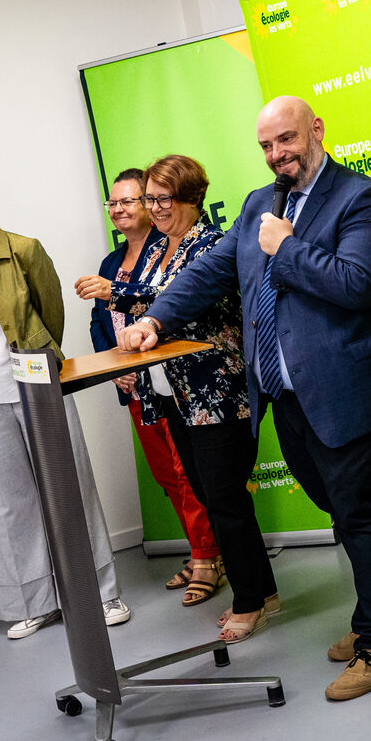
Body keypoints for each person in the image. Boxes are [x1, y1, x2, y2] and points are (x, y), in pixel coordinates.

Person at [118, 96, 371, 701]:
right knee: (338, 506)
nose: (277, 154)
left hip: (344, 388)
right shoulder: (260, 202)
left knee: (359, 508)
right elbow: (209, 272)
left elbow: (358, 284)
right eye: (266, 145)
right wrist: (154, 319)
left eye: (287, 139)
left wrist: (286, 246)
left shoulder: (362, 198)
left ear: (316, 130)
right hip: (284, 393)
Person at [0, 160, 130, 639]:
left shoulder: (25, 249)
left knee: (71, 489)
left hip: (38, 387)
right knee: (6, 505)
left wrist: (37, 366)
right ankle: (34, 602)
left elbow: (51, 315)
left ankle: (102, 593)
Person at [77, 155, 276, 640]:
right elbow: (147, 297)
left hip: (217, 394)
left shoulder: (211, 244)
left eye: (164, 198)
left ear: (191, 198)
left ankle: (249, 602)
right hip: (171, 395)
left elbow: (178, 296)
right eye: (150, 199)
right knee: (212, 497)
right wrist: (120, 297)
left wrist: (115, 291)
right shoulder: (153, 251)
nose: (156, 208)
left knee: (225, 499)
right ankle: (263, 590)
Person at [77, 168, 221, 601]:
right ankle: (200, 551)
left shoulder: (170, 249)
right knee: (167, 475)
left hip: (175, 380)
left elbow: (163, 302)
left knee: (188, 472)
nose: (119, 210)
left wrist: (115, 295)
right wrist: (114, 368)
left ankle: (208, 557)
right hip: (135, 387)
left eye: (129, 201)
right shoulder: (111, 262)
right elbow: (100, 321)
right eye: (113, 203)